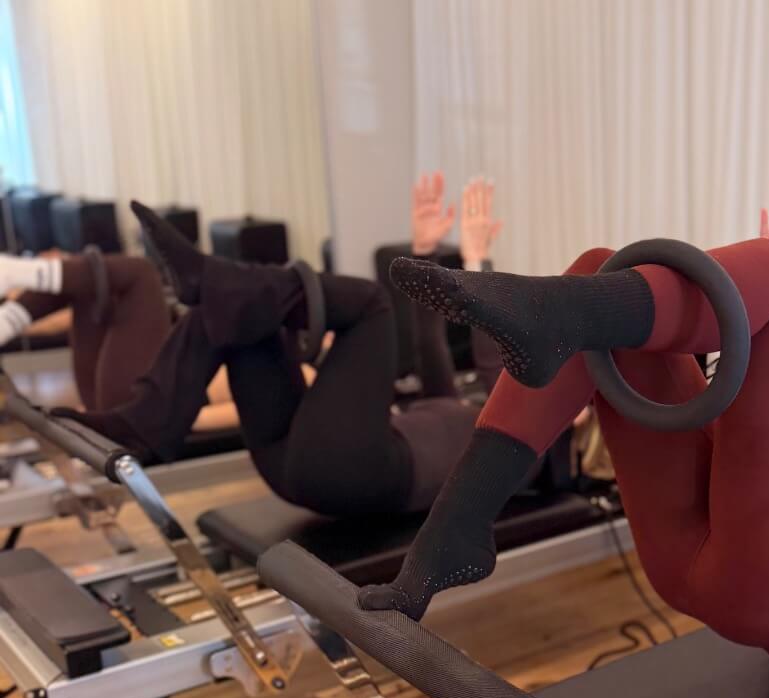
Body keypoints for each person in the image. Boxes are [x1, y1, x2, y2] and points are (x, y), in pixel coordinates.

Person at [360, 189, 769, 698]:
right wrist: (741, 315)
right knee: (604, 273)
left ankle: (555, 314)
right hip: (705, 560)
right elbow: (761, 452)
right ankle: (450, 536)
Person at [63, 174, 508, 518]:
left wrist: (477, 261)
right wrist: (425, 253)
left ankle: (209, 278)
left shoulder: (520, 443)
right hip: (294, 460)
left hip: (362, 474)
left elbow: (498, 358)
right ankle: (143, 424)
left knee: (372, 305)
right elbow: (430, 342)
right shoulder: (465, 413)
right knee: (232, 316)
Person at [0, 250, 170, 410]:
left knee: (137, 273)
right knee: (93, 281)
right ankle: (17, 276)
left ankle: (17, 274)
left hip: (133, 419)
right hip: (123, 412)